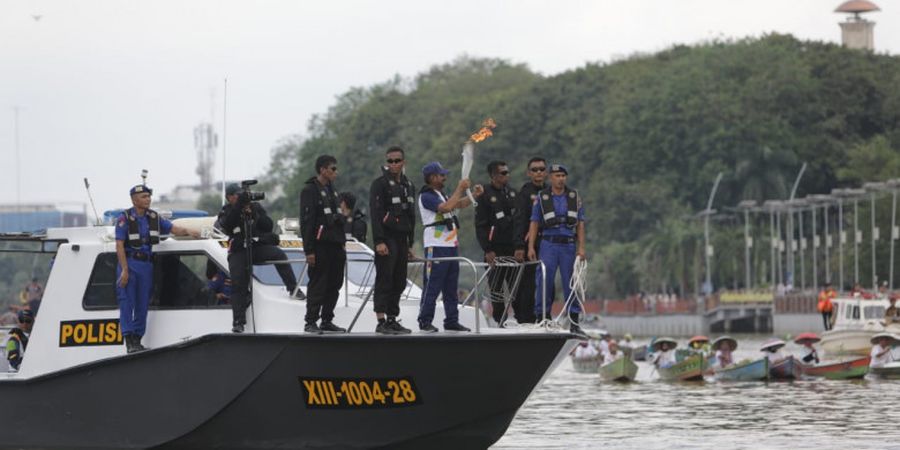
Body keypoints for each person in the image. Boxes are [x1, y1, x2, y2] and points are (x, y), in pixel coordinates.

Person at [116, 184, 198, 353]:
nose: (148, 199)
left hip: (146, 265)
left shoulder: (154, 217)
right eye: (144, 197)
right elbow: (119, 245)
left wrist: (190, 231)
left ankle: (138, 339)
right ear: (134, 199)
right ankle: (129, 340)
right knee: (127, 303)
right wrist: (124, 269)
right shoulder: (124, 218)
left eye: (148, 196)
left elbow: (174, 229)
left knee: (142, 303)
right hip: (130, 264)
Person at [218, 183, 300, 333]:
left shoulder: (254, 207)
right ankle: (238, 322)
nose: (240, 197)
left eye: (241, 195)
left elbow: (268, 226)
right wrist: (239, 207)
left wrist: (254, 212)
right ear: (229, 197)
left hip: (255, 246)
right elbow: (228, 225)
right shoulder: (227, 210)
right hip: (238, 250)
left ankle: (293, 288)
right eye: (237, 195)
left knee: (279, 254)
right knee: (238, 284)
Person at [417, 161, 482, 332]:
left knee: (451, 287)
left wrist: (474, 195)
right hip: (435, 246)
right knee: (433, 285)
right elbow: (446, 208)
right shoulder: (427, 196)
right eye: (441, 175)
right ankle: (425, 321)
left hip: (451, 244)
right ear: (432, 178)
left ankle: (451, 320)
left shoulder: (440, 193)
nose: (445, 177)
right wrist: (460, 188)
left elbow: (457, 204)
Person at [527, 164, 587, 334]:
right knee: (544, 281)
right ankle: (542, 317)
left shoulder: (574, 197)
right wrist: (531, 246)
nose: (561, 179)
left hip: (568, 244)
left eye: (563, 175)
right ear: (550, 178)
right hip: (548, 244)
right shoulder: (542, 197)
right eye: (557, 175)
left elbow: (581, 223)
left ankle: (574, 322)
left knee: (572, 282)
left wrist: (581, 248)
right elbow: (534, 222)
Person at [369, 147, 416, 335]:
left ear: (404, 162)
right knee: (384, 279)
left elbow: (411, 216)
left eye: (397, 161)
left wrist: (410, 244)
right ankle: (381, 321)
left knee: (399, 281)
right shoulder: (379, 184)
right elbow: (376, 214)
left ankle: (392, 319)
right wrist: (379, 241)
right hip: (386, 238)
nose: (394, 164)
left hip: (402, 239)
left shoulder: (409, 185)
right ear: (386, 163)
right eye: (390, 161)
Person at [300, 155, 349, 334]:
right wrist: (309, 250)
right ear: (323, 169)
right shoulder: (310, 190)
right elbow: (307, 222)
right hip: (320, 246)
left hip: (336, 244)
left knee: (335, 283)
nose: (336, 172)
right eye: (333, 169)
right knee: (318, 284)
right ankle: (311, 321)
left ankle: (327, 319)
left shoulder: (332, 190)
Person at [475, 160, 519, 326]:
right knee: (496, 288)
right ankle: (500, 321)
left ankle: (521, 319)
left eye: (507, 172)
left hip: (513, 248)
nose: (507, 175)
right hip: (494, 250)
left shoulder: (513, 193)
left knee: (515, 286)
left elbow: (519, 220)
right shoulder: (484, 194)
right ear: (493, 176)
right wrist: (487, 249)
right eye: (503, 173)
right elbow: (480, 225)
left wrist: (519, 246)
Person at [511, 157, 546, 325]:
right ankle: (525, 318)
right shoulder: (525, 193)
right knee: (527, 282)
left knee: (545, 280)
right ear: (529, 173)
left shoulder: (550, 191)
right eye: (535, 170)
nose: (538, 172)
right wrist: (519, 245)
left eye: (541, 169)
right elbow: (519, 220)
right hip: (528, 243)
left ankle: (543, 315)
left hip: (547, 243)